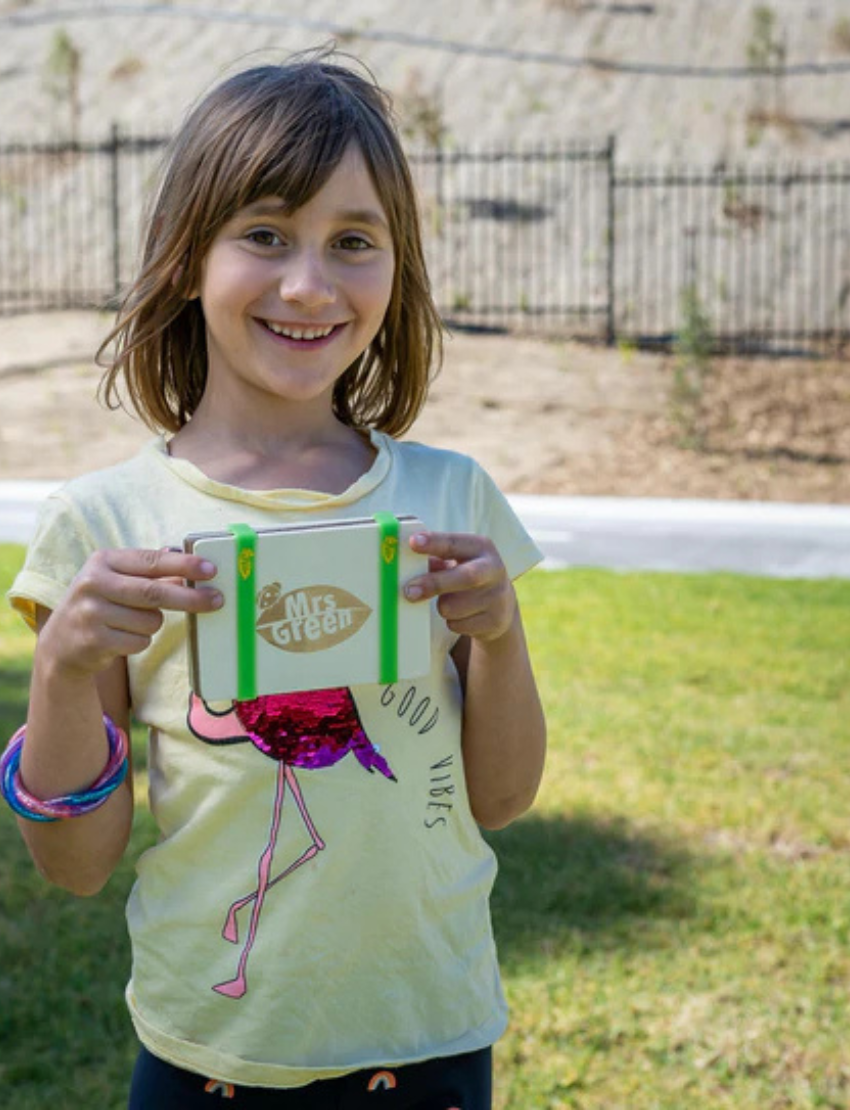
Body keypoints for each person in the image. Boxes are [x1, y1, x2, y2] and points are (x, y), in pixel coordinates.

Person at [3, 51, 546, 1110]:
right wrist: (65, 672)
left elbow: (503, 796)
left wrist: (500, 634)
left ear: (398, 274)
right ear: (185, 257)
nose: (309, 284)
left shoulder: (450, 496)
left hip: (429, 1041)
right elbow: (73, 868)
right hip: (211, 1059)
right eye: (264, 234)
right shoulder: (108, 526)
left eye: (353, 242)